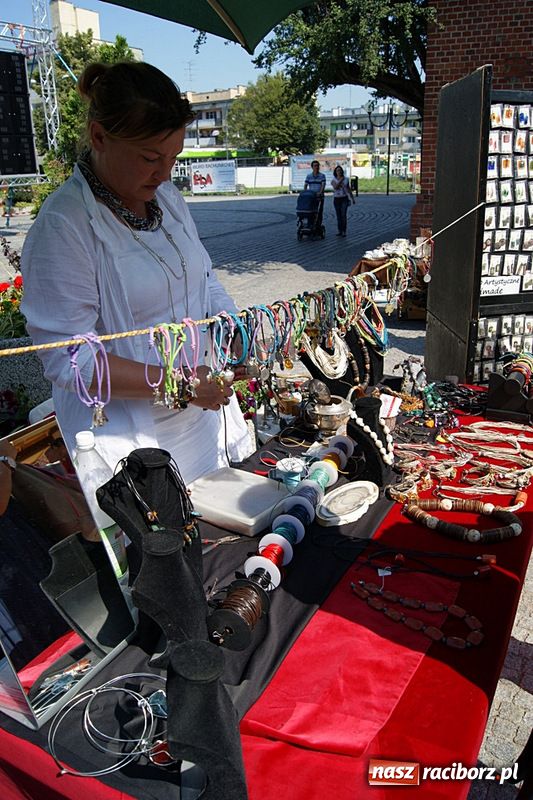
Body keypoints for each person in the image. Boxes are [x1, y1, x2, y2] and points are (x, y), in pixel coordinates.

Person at [21, 61, 253, 485]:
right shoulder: (64, 226)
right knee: (161, 523)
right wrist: (181, 385)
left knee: (220, 515)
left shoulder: (167, 199)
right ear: (99, 137)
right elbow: (71, 360)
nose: (164, 173)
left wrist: (232, 328)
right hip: (128, 440)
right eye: (150, 158)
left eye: (173, 157)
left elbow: (203, 279)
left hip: (200, 419)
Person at [331, 165, 354, 237]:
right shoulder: (333, 180)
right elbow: (335, 187)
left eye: (340, 170)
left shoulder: (346, 179)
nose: (339, 172)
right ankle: (339, 230)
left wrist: (352, 198)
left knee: (343, 215)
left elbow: (348, 189)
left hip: (344, 198)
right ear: (335, 172)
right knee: (338, 216)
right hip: (336, 199)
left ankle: (344, 231)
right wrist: (341, 180)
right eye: (337, 170)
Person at [303, 160, 326, 230]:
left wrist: (320, 192)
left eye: (317, 166)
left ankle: (318, 225)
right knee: (310, 211)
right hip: (311, 197)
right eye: (315, 166)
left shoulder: (322, 176)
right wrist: (305, 192)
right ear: (312, 167)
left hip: (319, 197)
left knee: (319, 211)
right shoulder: (309, 176)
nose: (316, 167)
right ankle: (310, 224)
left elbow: (323, 185)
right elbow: (305, 185)